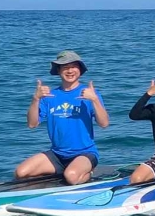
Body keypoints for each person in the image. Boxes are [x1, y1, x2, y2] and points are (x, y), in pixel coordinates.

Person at [16, 49, 109, 185]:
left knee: (71, 177)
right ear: (58, 71)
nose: (70, 71)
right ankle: (64, 171)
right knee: (21, 173)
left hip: (84, 153)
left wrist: (94, 100)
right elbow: (32, 124)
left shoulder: (89, 94)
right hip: (57, 154)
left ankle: (87, 172)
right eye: (65, 67)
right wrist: (35, 99)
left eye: (73, 67)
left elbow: (104, 124)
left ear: (80, 70)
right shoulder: (49, 96)